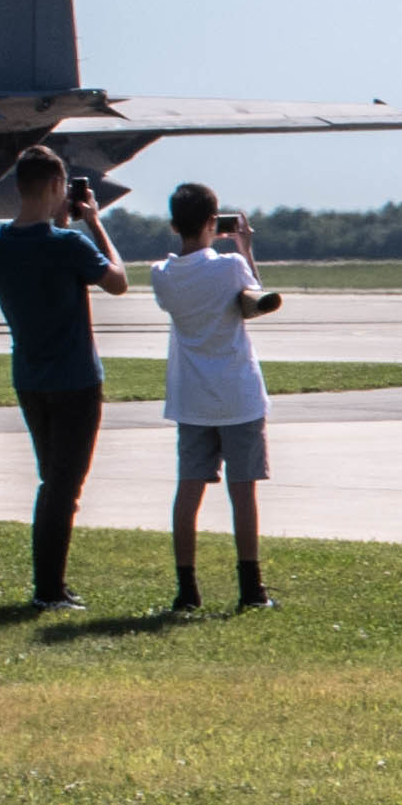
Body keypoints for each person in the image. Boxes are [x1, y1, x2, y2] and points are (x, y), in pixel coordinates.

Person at [0, 161, 123, 609]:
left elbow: (36, 255)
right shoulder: (70, 245)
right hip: (76, 379)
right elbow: (117, 281)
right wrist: (95, 222)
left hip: (30, 377)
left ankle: (51, 584)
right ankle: (48, 590)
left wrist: (58, 222)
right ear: (58, 186)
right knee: (63, 488)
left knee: (52, 480)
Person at [148, 182, 282, 608]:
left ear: (173, 224)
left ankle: (186, 589)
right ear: (213, 223)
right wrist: (243, 244)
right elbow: (253, 294)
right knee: (243, 495)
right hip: (238, 394)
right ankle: (251, 588)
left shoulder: (162, 274)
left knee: (188, 493)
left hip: (192, 399)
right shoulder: (229, 267)